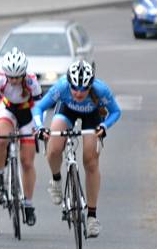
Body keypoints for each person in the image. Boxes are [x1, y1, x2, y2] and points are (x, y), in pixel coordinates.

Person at [33, 60, 121, 238]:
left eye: (84, 88)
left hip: (92, 116)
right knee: (54, 147)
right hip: (67, 111)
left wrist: (104, 126)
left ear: (91, 85)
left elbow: (116, 112)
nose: (79, 93)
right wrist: (40, 127)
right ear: (69, 83)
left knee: (90, 160)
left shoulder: (101, 90)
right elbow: (39, 107)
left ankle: (92, 217)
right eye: (75, 88)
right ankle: (56, 180)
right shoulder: (61, 87)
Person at [0, 48, 42, 226]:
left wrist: (39, 127)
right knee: (1, 137)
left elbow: (39, 107)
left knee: (27, 161)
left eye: (16, 77)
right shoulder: (0, 80)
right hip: (8, 109)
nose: (13, 80)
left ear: (23, 74)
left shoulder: (31, 81)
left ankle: (28, 204)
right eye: (10, 77)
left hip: (27, 112)